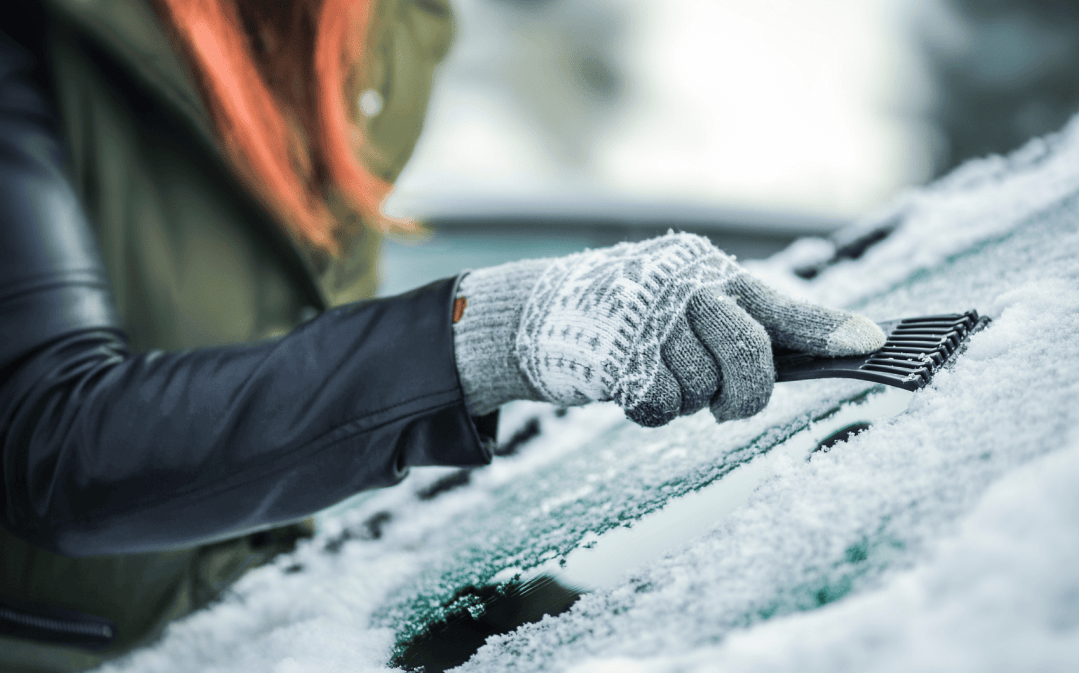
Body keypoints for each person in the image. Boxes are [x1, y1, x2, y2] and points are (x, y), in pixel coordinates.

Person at [0, 1, 885, 670]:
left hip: (271, 626)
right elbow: (51, 440)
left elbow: (287, 347)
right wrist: (493, 332)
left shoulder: (383, 27)